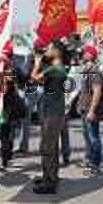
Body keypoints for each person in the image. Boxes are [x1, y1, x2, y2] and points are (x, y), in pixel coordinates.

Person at [30, 41, 69, 194]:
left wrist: (37, 63)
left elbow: (32, 80)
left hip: (52, 113)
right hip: (53, 111)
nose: (47, 49)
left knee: (47, 147)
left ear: (57, 52)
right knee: (51, 146)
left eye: (50, 47)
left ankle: (49, 183)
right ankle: (50, 176)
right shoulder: (56, 69)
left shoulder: (55, 70)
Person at [77, 45, 103, 176]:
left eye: (84, 52)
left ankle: (96, 164)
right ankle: (89, 160)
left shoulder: (94, 72)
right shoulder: (86, 71)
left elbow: (97, 92)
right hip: (84, 109)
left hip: (90, 109)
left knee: (93, 137)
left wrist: (92, 110)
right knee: (88, 137)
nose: (82, 54)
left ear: (90, 55)